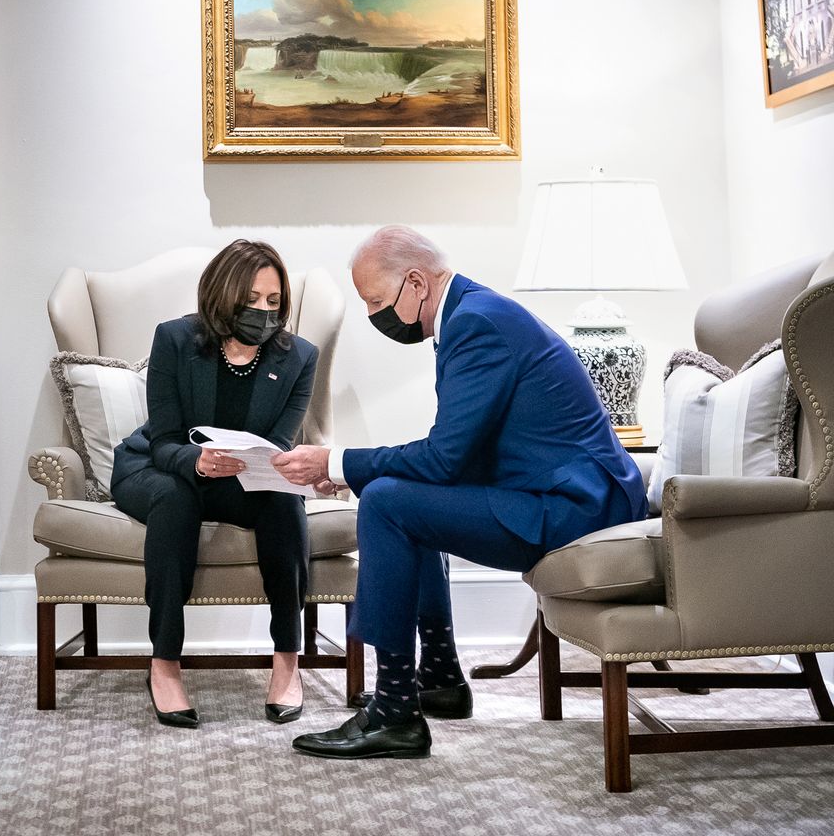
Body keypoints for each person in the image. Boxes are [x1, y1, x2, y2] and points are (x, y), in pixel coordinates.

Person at [273, 225, 645, 760]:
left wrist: (339, 461)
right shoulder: (471, 314)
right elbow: (456, 456)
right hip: (559, 496)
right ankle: (441, 677)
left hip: (576, 510)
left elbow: (445, 457)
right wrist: (357, 469)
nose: (375, 315)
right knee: (399, 493)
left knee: (387, 502)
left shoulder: (477, 324)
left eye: (376, 301)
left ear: (417, 283)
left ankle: (396, 709)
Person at [109, 239, 319, 729]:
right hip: (160, 468)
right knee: (175, 498)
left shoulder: (299, 357)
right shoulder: (176, 339)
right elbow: (162, 439)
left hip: (239, 476)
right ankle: (164, 665)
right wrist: (196, 461)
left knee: (285, 504)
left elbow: (278, 444)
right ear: (222, 295)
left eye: (274, 301)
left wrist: (295, 472)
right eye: (251, 300)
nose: (264, 312)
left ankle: (287, 662)